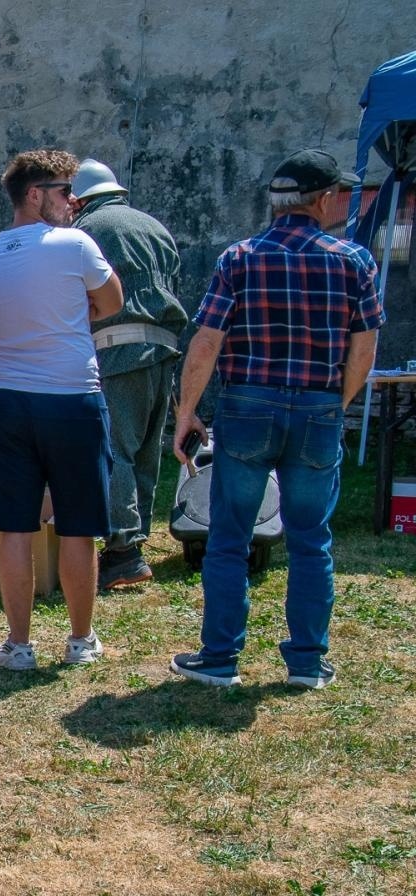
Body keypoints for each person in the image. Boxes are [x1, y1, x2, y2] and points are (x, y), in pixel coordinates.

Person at [169, 149, 382, 689]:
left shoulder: (238, 258)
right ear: (324, 199)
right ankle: (306, 662)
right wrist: (337, 403)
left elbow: (207, 341)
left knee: (229, 537)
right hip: (318, 405)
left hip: (248, 406)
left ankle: (220, 657)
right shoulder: (354, 261)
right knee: (311, 540)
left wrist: (187, 412)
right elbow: (364, 349)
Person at [0, 149, 123, 671]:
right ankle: (80, 639)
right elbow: (113, 302)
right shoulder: (74, 244)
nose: (73, 201)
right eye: (64, 191)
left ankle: (18, 643)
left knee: (15, 524)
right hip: (71, 397)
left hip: (8, 399)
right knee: (77, 524)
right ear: (35, 195)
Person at [67, 160, 189, 591]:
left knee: (114, 447)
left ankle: (123, 552)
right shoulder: (154, 226)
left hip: (119, 348)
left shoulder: (88, 229)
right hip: (164, 348)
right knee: (145, 450)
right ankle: (135, 540)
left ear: (79, 200)